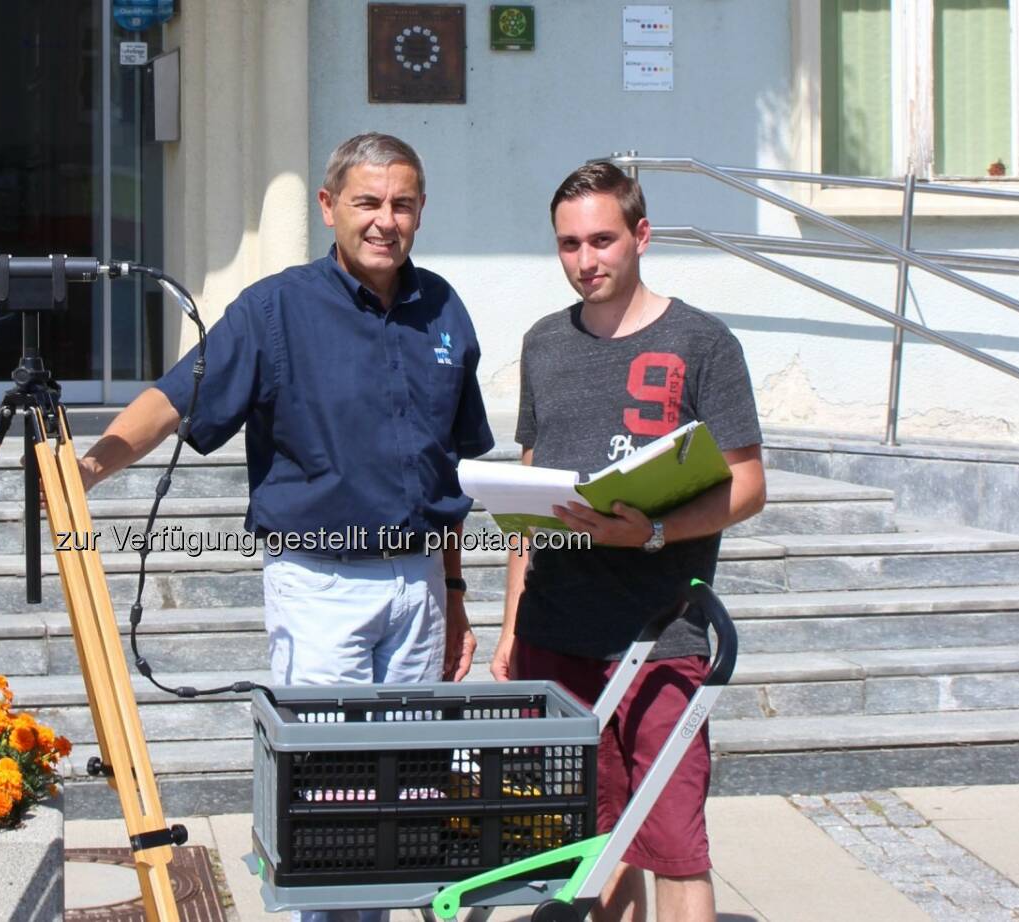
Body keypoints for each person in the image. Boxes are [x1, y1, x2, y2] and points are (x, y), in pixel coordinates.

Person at [76, 132, 492, 710]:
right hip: (322, 586)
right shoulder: (273, 309)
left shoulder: (443, 309)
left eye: (402, 205)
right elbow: (173, 399)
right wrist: (90, 467)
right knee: (330, 779)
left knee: (412, 776)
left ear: (421, 210)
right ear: (327, 207)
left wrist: (453, 594)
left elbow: (447, 470)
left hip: (420, 586)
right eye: (367, 203)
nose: (385, 222)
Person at [489, 161, 766, 922]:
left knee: (676, 846)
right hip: (557, 633)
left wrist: (653, 532)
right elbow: (531, 493)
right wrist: (511, 627)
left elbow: (747, 486)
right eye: (570, 244)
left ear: (641, 236)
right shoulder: (543, 343)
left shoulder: (702, 342)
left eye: (603, 239)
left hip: (661, 635)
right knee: (592, 845)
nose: (587, 260)